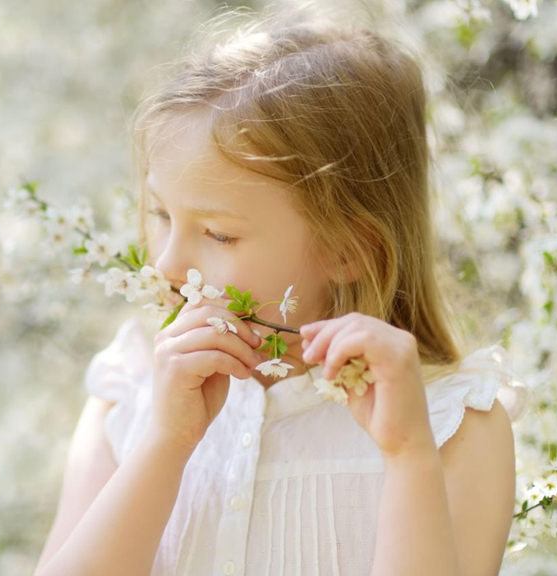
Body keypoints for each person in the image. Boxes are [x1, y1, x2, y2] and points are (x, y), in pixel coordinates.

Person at [34, 9, 527, 576]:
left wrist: (408, 455)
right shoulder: (130, 396)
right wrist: (165, 445)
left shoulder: (452, 425)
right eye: (159, 214)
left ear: (347, 249)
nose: (167, 262)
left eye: (218, 233)